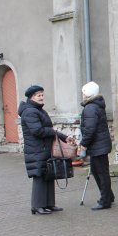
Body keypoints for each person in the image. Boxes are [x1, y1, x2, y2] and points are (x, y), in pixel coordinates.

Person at [18, 85, 75, 215]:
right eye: (39, 95)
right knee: (39, 176)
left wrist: (65, 137)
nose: (42, 97)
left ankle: (49, 204)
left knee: (49, 175)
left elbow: (50, 131)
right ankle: (37, 206)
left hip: (44, 148)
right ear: (32, 97)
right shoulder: (30, 111)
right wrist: (53, 132)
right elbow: (37, 130)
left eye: (42, 95)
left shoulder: (39, 110)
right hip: (36, 149)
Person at [78, 81, 115, 211]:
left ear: (88, 94)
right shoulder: (96, 105)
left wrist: (83, 144)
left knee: (101, 173)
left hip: (98, 146)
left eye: (83, 92)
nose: (82, 94)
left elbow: (90, 129)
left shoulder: (90, 108)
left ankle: (105, 200)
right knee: (98, 171)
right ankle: (108, 196)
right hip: (100, 145)